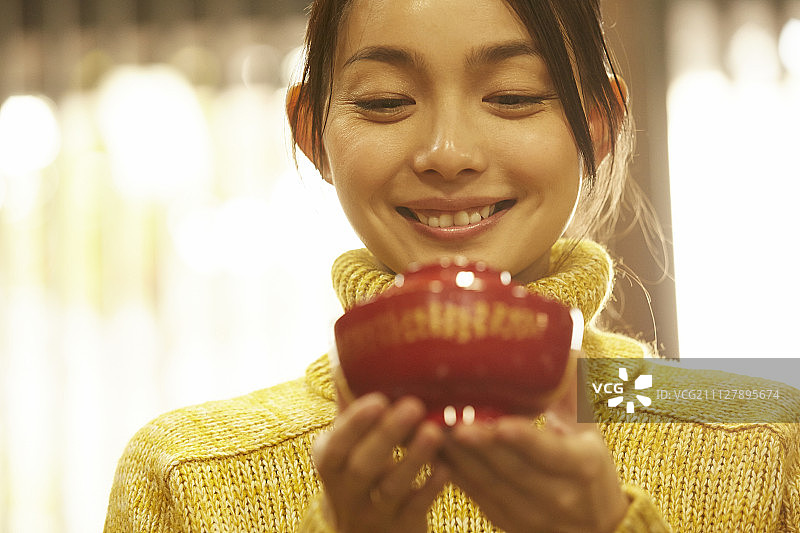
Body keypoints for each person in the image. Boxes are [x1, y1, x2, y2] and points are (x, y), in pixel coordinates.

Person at [104, 1, 800, 531]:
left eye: (513, 95)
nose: (448, 150)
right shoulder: (185, 475)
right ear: (313, 132)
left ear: (598, 123)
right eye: (384, 102)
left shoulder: (766, 435)